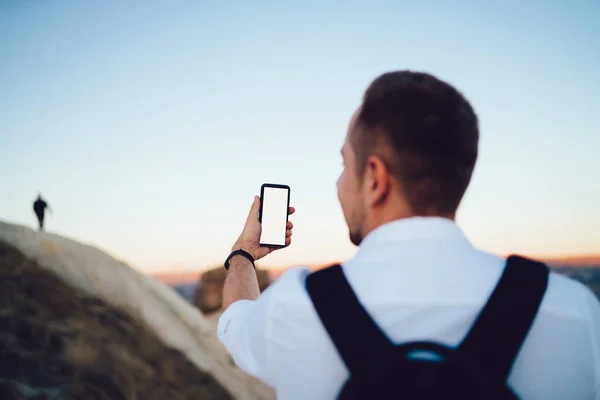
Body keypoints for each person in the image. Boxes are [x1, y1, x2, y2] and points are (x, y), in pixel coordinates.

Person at [217, 71, 600, 400]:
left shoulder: (297, 307)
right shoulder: (574, 312)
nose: (338, 183)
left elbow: (235, 320)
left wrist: (244, 253)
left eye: (343, 164)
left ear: (375, 179)